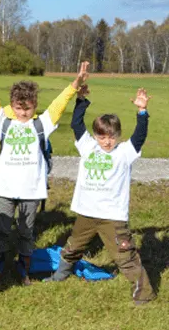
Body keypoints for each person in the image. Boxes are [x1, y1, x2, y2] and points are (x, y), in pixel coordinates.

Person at [45, 86, 155, 304]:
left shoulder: (124, 152)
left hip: (112, 217)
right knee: (73, 247)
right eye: (102, 136)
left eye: (111, 136)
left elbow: (139, 136)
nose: (107, 141)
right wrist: (81, 100)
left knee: (125, 255)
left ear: (118, 136)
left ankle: (144, 294)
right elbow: (76, 124)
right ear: (95, 136)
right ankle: (59, 276)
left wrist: (142, 112)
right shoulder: (88, 147)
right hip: (86, 212)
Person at [0, 62, 86, 284]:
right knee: (1, 229)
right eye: (18, 108)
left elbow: (59, 104)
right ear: (12, 105)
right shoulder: (3, 122)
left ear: (35, 106)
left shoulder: (42, 124)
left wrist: (74, 85)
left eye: (28, 108)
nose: (23, 113)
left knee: (26, 231)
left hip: (31, 190)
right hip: (4, 188)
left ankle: (24, 270)